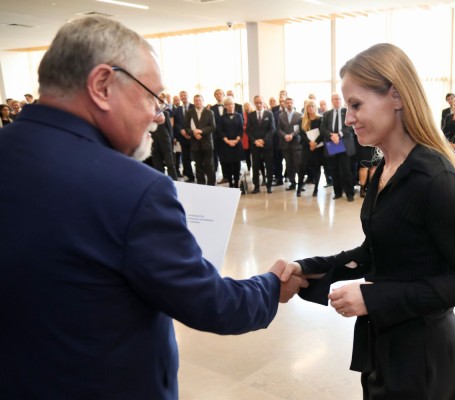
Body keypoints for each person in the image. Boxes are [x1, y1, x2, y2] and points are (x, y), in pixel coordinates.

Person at [0, 17, 309, 399]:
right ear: (102, 86)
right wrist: (270, 286)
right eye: (152, 95)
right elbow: (210, 304)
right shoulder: (134, 190)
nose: (158, 114)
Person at [281, 43, 455, 399]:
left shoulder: (434, 179)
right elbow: (377, 249)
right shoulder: (382, 167)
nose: (348, 119)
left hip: (423, 357)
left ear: (395, 96)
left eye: (356, 105)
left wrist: (375, 298)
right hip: (386, 341)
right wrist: (306, 269)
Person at [321, 92, 357, 202]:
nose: (337, 101)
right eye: (335, 99)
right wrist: (331, 136)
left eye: (339, 99)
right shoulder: (327, 114)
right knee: (334, 169)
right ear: (332, 101)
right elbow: (322, 128)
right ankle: (337, 192)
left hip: (344, 143)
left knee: (346, 170)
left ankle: (349, 193)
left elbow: (350, 126)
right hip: (332, 143)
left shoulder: (347, 111)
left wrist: (339, 134)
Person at [218, 96, 245, 190]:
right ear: (225, 106)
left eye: (232, 104)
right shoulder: (221, 118)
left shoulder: (239, 116)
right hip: (226, 144)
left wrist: (236, 140)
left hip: (237, 143)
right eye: (228, 104)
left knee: (236, 165)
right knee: (228, 165)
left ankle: (237, 184)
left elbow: (241, 129)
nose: (230, 106)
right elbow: (220, 131)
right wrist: (228, 141)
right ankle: (230, 183)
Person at [298, 99, 324, 197]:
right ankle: (299, 188)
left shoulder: (320, 119)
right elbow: (301, 133)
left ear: (315, 107)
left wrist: (315, 143)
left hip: (318, 147)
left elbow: (322, 132)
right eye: (308, 107)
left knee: (317, 167)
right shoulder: (302, 119)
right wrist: (310, 143)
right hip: (306, 147)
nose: (310, 108)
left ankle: (316, 189)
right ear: (306, 108)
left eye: (312, 106)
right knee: (303, 167)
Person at [278, 97, 303, 192]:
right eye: (287, 103)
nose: (289, 104)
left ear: (293, 103)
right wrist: (285, 136)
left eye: (291, 103)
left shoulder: (299, 115)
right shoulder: (281, 116)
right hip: (285, 144)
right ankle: (292, 183)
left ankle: (300, 183)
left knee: (298, 164)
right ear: (284, 104)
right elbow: (279, 129)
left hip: (296, 143)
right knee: (289, 165)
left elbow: (300, 128)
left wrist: (292, 135)